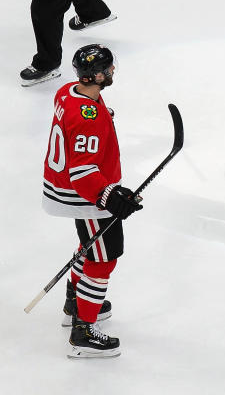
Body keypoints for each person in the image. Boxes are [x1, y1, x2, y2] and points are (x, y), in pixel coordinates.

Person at [42, 44, 142, 358]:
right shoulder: (89, 119)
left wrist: (102, 114)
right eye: (109, 68)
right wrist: (112, 198)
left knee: (91, 248)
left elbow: (78, 121)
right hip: (83, 196)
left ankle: (75, 301)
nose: (113, 71)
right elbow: (83, 174)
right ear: (96, 75)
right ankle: (83, 331)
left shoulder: (68, 91)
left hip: (67, 188)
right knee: (103, 258)